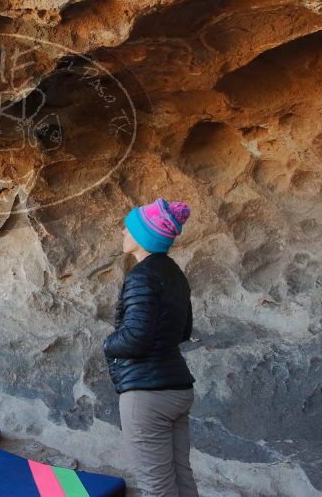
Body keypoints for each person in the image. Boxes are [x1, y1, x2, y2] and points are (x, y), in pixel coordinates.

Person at [103, 198, 198, 497]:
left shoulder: (142, 276)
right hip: (178, 387)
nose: (122, 231)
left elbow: (135, 338)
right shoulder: (175, 275)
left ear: (144, 237)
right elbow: (183, 331)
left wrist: (107, 344)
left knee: (156, 487)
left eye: (129, 227)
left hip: (148, 396)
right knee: (181, 478)